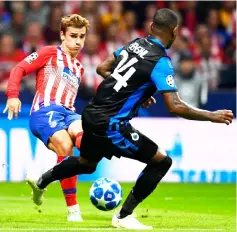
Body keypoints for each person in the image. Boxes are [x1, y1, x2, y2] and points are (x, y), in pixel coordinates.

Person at [27, 8, 233, 230]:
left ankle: (42, 180)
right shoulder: (161, 62)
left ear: (152, 28)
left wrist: (130, 89)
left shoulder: (134, 44)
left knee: (87, 163)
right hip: (112, 124)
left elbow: (102, 68)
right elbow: (175, 106)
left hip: (91, 114)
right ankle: (124, 216)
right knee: (161, 162)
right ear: (174, 32)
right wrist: (212, 116)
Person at [3, 14, 90, 222]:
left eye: (82, 36)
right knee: (65, 146)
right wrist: (13, 96)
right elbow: (19, 68)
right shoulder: (49, 53)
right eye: (73, 36)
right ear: (62, 35)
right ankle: (73, 210)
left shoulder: (79, 68)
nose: (77, 41)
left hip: (69, 114)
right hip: (44, 112)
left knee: (87, 143)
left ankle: (42, 181)